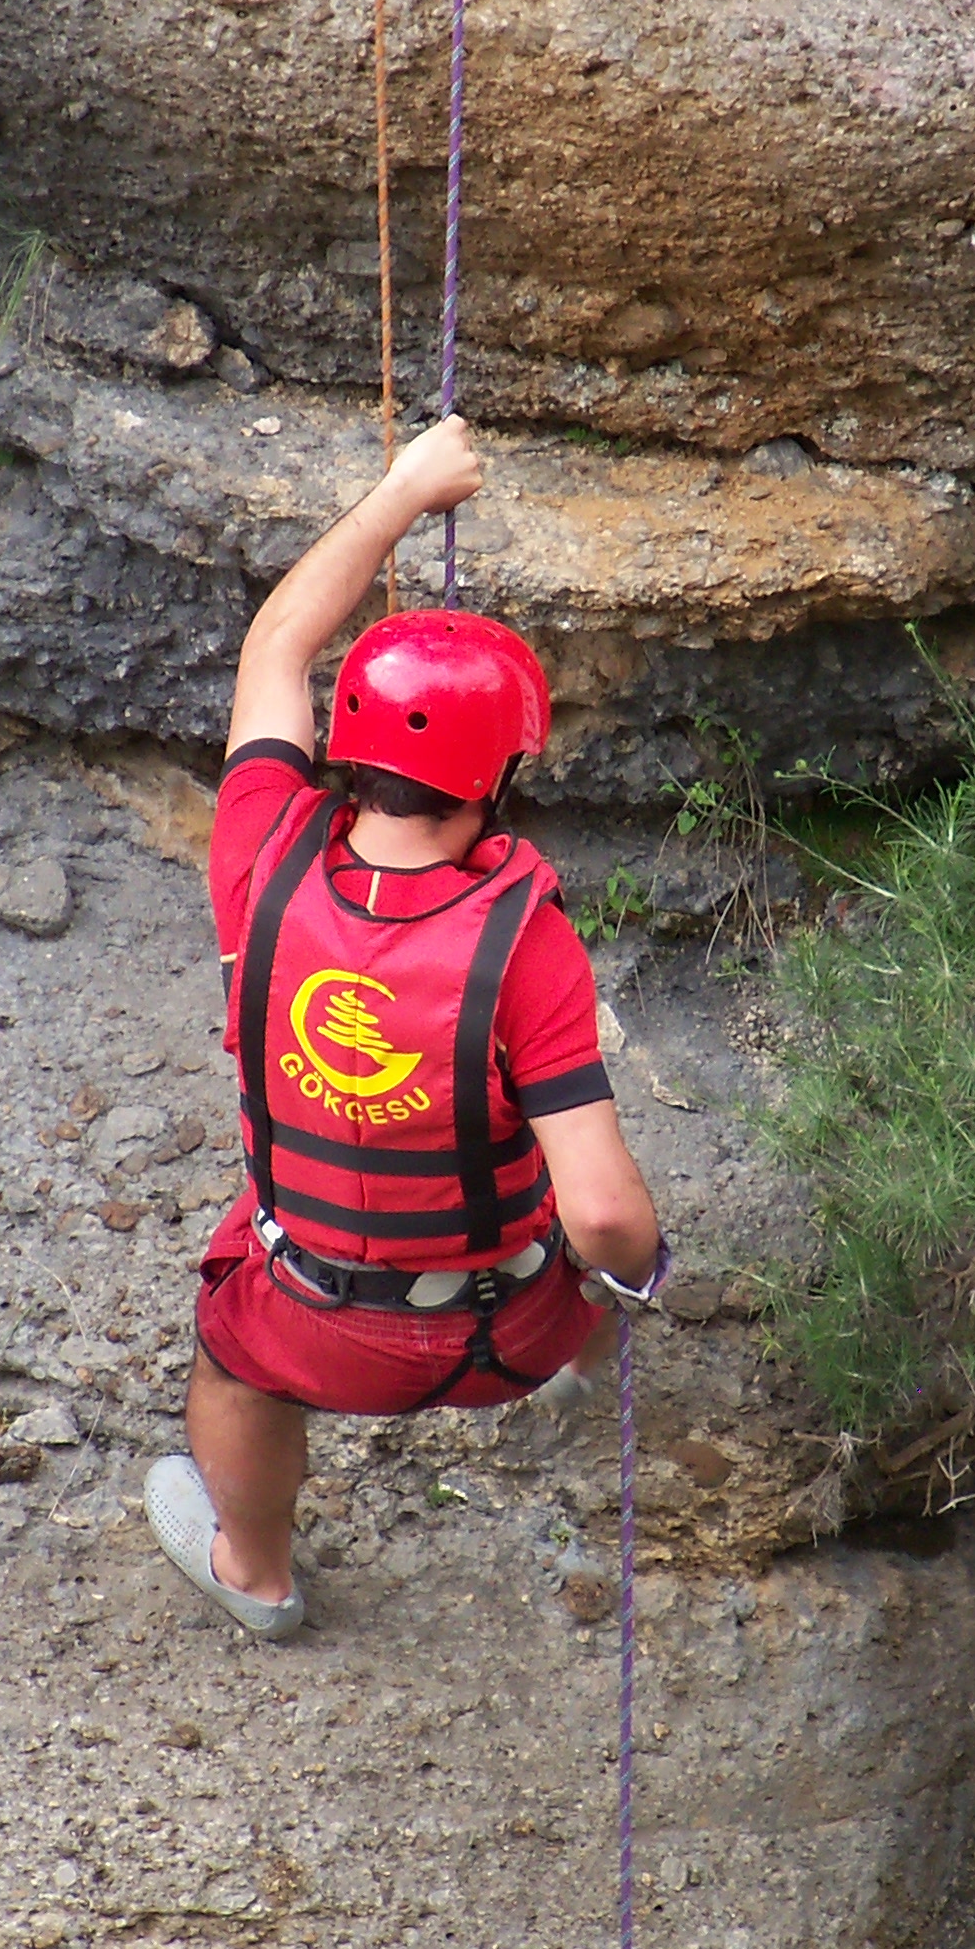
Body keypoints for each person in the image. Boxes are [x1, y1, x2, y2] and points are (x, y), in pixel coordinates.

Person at [143, 415, 667, 1640]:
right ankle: (589, 1376)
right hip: (517, 1327)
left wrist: (400, 492)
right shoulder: (521, 934)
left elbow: (279, 642)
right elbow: (602, 1215)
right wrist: (636, 1288)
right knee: (591, 1239)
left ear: (348, 751)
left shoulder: (259, 848)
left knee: (234, 1349)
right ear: (495, 781)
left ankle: (256, 1573)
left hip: (322, 1333)